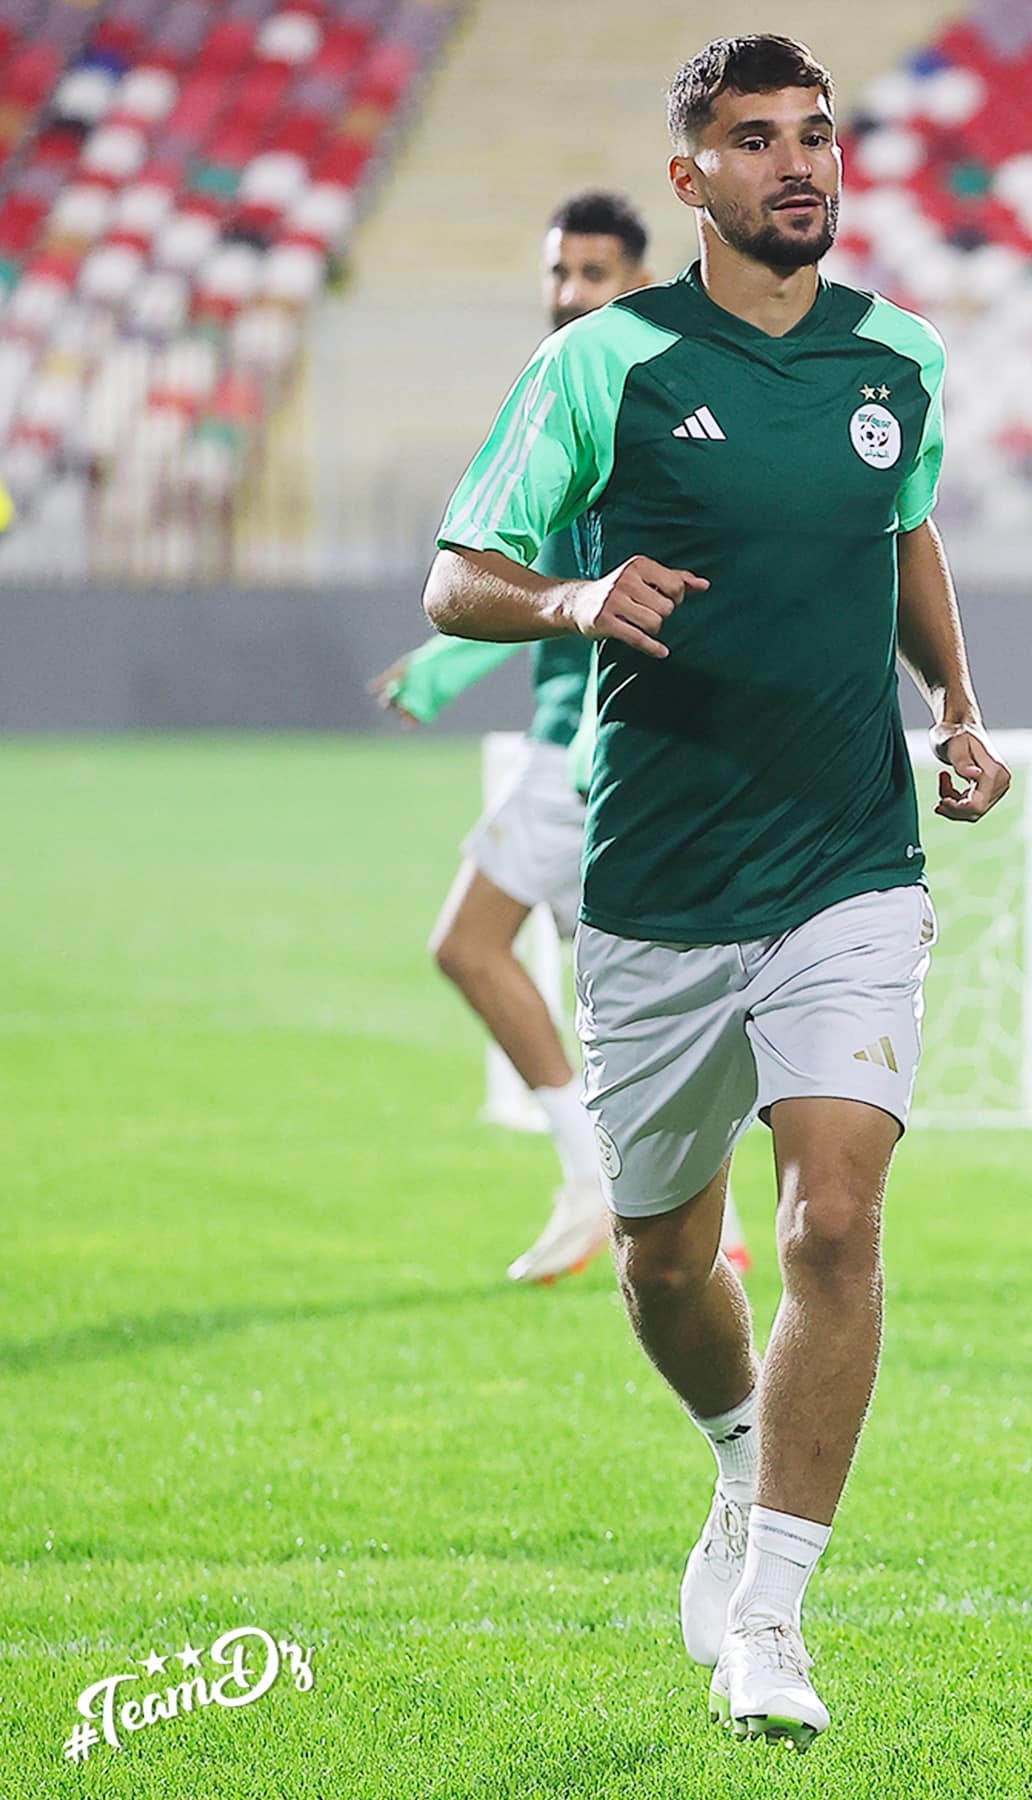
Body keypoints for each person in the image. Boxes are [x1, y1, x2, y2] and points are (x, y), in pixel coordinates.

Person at [422, 34, 1010, 1747]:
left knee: (832, 1218)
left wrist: (958, 710)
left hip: (850, 863)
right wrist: (572, 597)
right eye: (756, 141)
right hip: (662, 883)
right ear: (692, 178)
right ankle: (740, 1457)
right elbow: (459, 580)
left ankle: (773, 1619)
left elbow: (902, 530)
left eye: (815, 134)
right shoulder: (604, 362)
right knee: (668, 1264)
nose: (796, 162)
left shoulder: (898, 354)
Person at [374, 191, 750, 1284]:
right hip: (591, 747)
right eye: (558, 272)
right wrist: (446, 660)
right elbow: (535, 572)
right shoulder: (588, 384)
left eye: (594, 273)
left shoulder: (625, 393)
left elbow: (573, 580)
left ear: (636, 276)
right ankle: (699, 1216)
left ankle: (599, 1180)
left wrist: (447, 668)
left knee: (474, 946)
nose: (571, 292)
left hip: (592, 753)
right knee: (631, 1000)